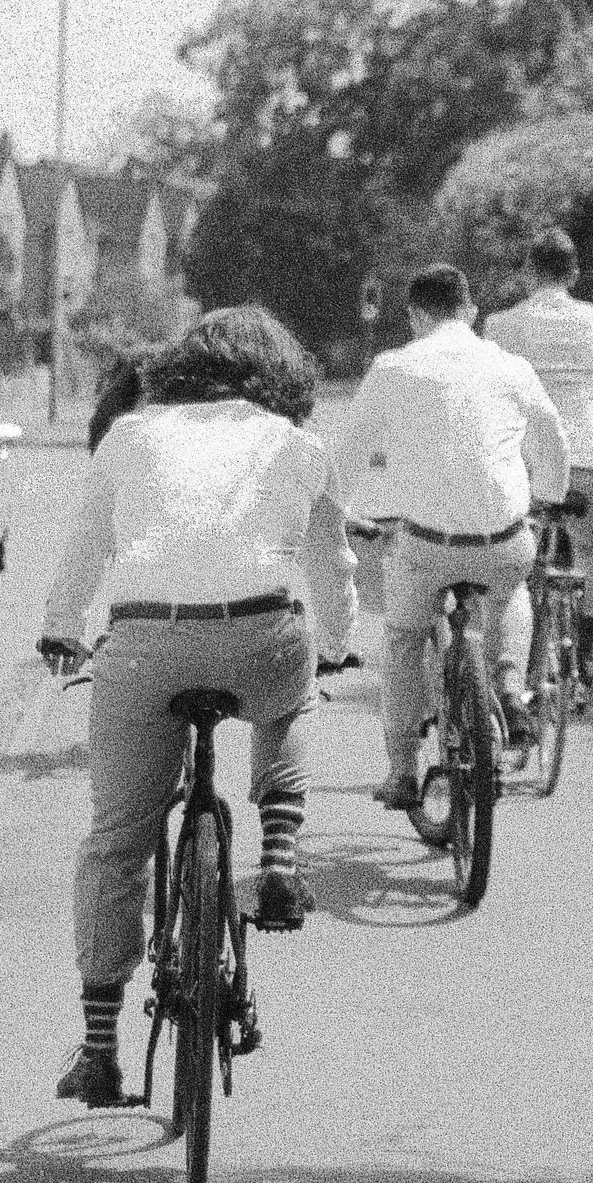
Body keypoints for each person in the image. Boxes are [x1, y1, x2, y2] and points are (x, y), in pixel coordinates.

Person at [37, 304, 356, 1106]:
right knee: (291, 700)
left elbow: (85, 547)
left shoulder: (128, 435)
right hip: (260, 633)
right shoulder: (300, 446)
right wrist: (335, 641)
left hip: (144, 643)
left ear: (182, 367)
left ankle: (100, 1047)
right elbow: (333, 565)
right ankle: (278, 852)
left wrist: (61, 627)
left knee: (116, 843)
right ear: (284, 376)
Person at [336, 261, 570, 810]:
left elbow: (350, 453)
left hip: (424, 543)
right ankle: (509, 687)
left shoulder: (391, 367)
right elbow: (552, 441)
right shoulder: (512, 367)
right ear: (470, 311)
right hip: (501, 537)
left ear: (414, 316)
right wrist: (549, 495)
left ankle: (401, 772)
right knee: (511, 590)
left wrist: (350, 511)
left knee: (404, 639)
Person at [483, 226, 593, 686]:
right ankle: (589, 646)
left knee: (516, 562)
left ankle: (513, 670)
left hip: (525, 465)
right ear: (574, 273)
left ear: (528, 272)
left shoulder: (500, 326)